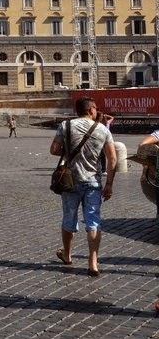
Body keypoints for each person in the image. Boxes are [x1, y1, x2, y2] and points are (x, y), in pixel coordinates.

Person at [51, 97, 117, 277]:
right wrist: (109, 184)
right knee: (93, 222)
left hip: (70, 181)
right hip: (93, 181)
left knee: (69, 219)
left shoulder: (66, 126)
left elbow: (54, 150)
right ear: (92, 109)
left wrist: (69, 149)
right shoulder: (103, 129)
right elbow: (112, 159)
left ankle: (67, 254)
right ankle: (93, 261)